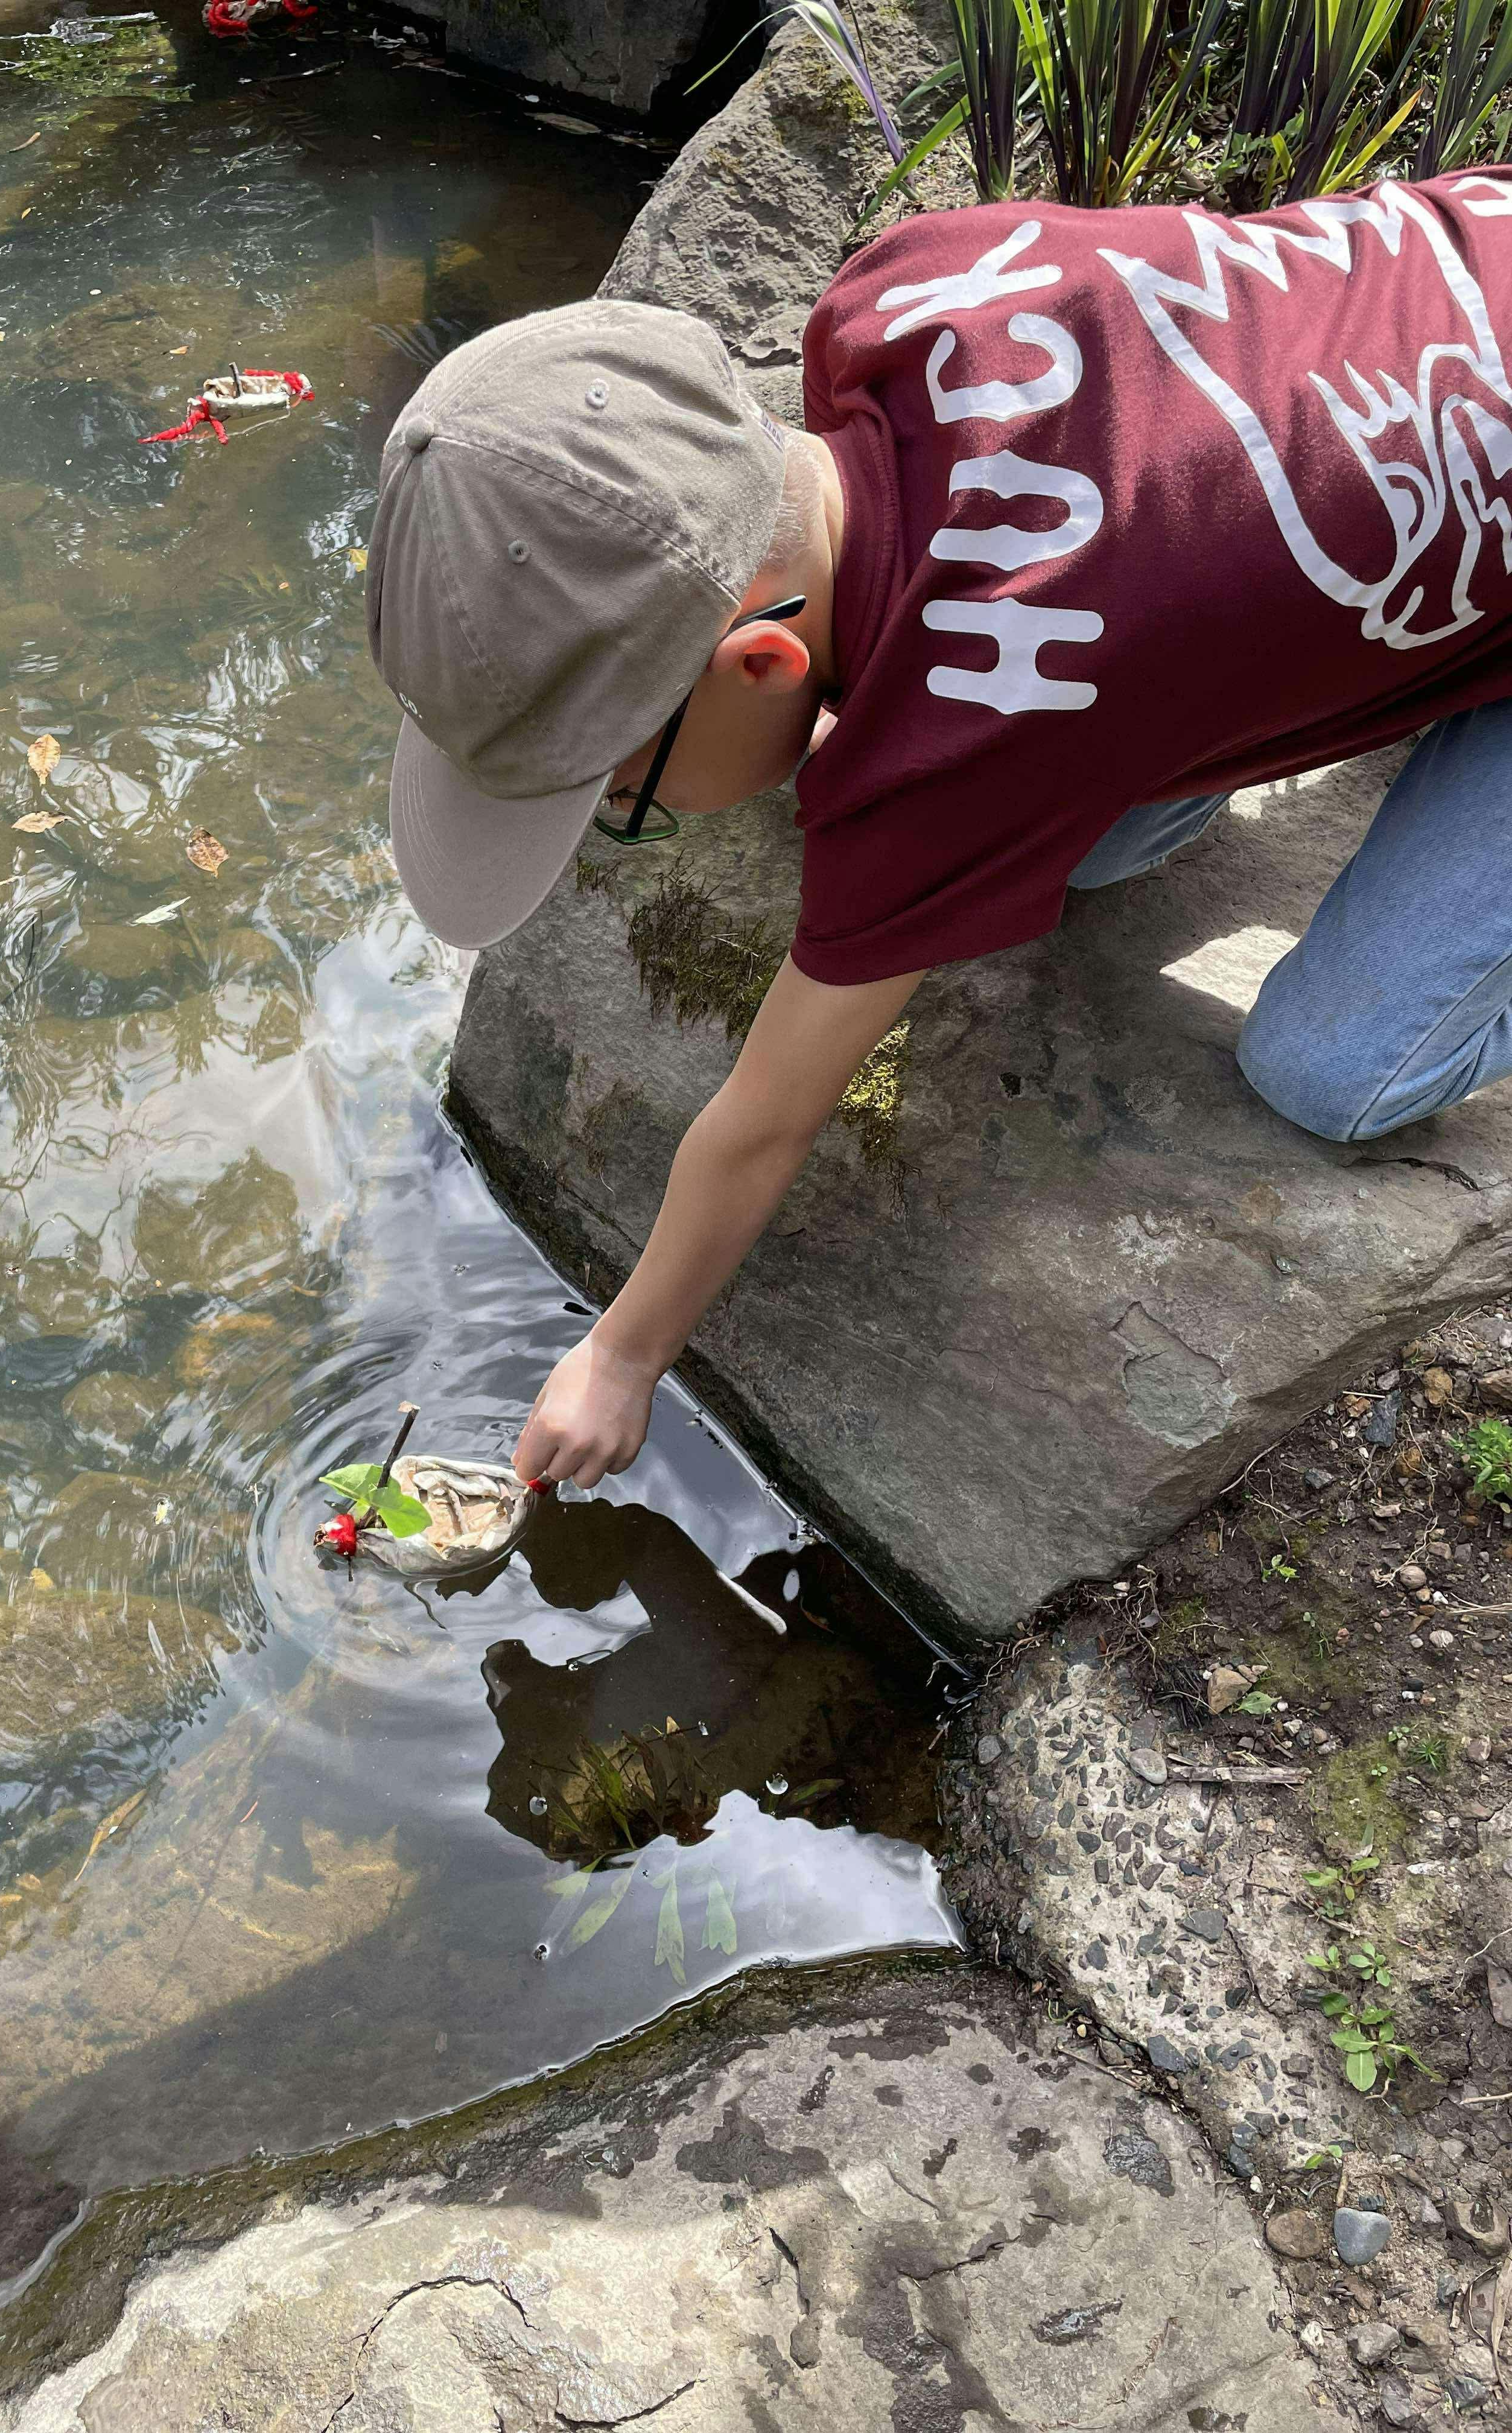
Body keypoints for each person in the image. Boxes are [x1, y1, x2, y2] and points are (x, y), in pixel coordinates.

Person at [364, 168, 1512, 1492]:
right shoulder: (893, 298)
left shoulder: (969, 739)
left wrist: (624, 1358)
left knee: (1334, 1070)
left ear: (760, 665)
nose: (626, 820)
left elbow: (766, 1118)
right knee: (1094, 829)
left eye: (620, 797)